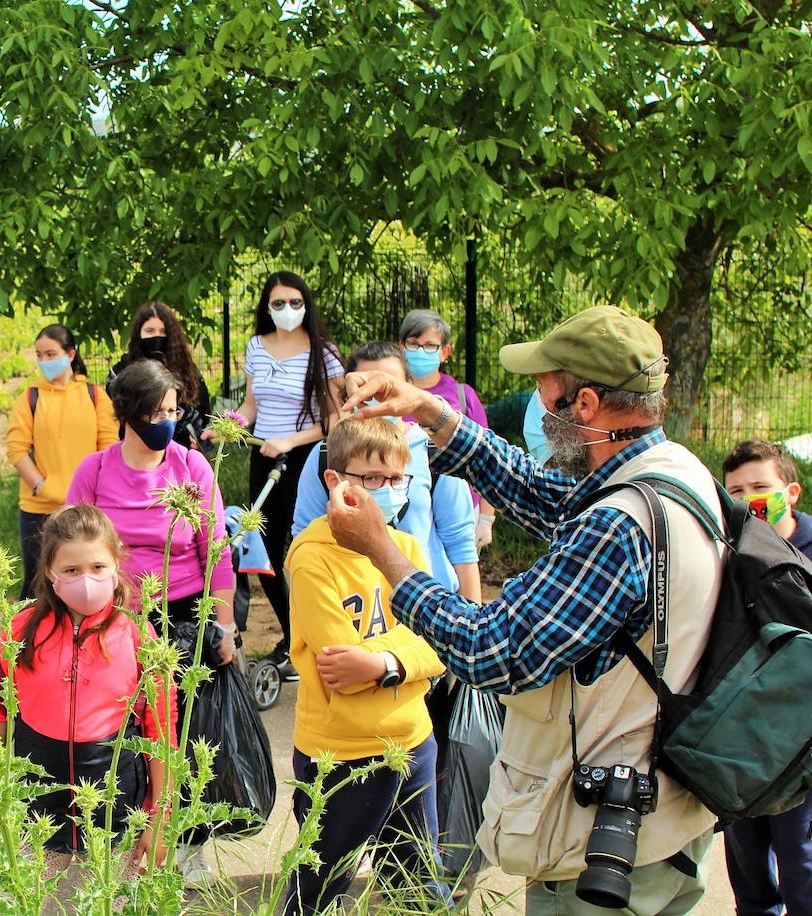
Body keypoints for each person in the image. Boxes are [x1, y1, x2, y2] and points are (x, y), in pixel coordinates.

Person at [328, 305, 724, 914]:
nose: (535, 396)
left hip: (612, 852)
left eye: (545, 381)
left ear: (585, 404)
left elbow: (496, 650)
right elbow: (539, 492)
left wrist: (386, 553)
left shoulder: (620, 525)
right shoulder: (667, 473)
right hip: (659, 818)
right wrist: (427, 408)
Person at [67, 359, 236, 884]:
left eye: (173, 410)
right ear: (128, 414)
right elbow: (71, 542)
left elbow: (217, 550)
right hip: (114, 615)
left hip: (183, 616)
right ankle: (126, 831)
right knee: (124, 728)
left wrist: (224, 625)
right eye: (156, 411)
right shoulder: (94, 471)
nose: (167, 420)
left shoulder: (191, 467)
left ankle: (186, 840)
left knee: (182, 730)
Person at [281, 415, 446, 914]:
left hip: (414, 742)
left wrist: (383, 663)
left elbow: (442, 640)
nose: (386, 490)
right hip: (341, 756)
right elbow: (338, 665)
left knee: (417, 885)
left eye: (397, 479)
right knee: (320, 885)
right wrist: (408, 651)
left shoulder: (409, 549)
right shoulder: (312, 557)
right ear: (334, 481)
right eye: (370, 478)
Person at [0, 504, 176, 876]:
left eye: (97, 568)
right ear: (49, 572)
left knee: (112, 903)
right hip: (35, 809)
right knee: (30, 902)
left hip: (117, 813)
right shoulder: (18, 634)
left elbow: (160, 730)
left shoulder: (139, 637)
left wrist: (159, 815)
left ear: (116, 564)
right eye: (71, 570)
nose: (86, 580)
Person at [210, 271, 344, 681]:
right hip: (262, 454)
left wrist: (288, 441)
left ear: (307, 303)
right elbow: (251, 405)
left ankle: (308, 637)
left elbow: (333, 420)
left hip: (302, 457)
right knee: (260, 550)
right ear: (267, 307)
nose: (288, 311)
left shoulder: (324, 353)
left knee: (296, 546)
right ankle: (294, 636)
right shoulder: (257, 346)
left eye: (295, 302)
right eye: (278, 303)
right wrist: (230, 425)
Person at [290, 342, 481, 600]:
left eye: (388, 388)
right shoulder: (325, 455)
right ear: (349, 397)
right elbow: (305, 535)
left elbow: (460, 544)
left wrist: (467, 627)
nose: (379, 400)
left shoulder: (435, 452)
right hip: (354, 609)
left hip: (430, 608)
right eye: (367, 389)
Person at [720, 438, 812, 916]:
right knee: (748, 865)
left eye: (761, 486)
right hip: (741, 739)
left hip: (801, 740)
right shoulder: (723, 554)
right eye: (736, 489)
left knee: (801, 861)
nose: (748, 499)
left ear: (790, 492)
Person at [7, 323, 117, 597]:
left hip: (85, 510)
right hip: (38, 509)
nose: (44, 361)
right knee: (38, 583)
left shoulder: (95, 397)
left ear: (70, 354)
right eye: (39, 355)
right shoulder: (30, 398)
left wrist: (93, 492)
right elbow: (17, 450)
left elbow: (109, 448)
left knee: (81, 581)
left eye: (50, 354)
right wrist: (41, 487)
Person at [399, 309, 499, 549]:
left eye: (430, 346)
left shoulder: (462, 396)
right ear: (401, 346)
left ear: (445, 352)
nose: (421, 351)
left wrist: (486, 518)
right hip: (402, 504)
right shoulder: (390, 394)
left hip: (459, 507)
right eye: (413, 344)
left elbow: (487, 457)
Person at [105, 302, 212, 449]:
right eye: (150, 331)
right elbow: (112, 417)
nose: (157, 336)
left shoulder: (186, 371)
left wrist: (197, 438)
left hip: (179, 450)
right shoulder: (121, 372)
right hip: (132, 450)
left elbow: (202, 412)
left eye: (163, 331)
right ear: (139, 333)